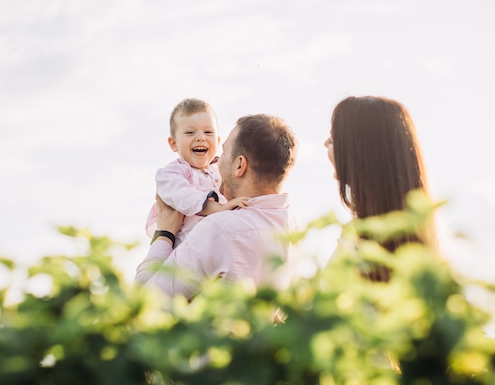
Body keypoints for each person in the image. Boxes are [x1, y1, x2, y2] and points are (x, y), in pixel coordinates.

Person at [136, 114, 299, 300]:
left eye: (224, 152)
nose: (217, 161)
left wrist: (164, 234)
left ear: (239, 165)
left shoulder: (220, 229)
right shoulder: (291, 227)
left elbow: (143, 302)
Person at [324, 95, 438, 282]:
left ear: (360, 154)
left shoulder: (359, 241)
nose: (325, 143)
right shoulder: (424, 239)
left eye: (334, 139)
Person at [146, 98, 250, 246]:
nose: (201, 137)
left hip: (220, 242)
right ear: (173, 143)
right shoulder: (171, 174)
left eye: (208, 132)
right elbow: (183, 196)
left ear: (218, 140)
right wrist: (219, 208)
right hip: (187, 246)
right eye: (190, 132)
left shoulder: (221, 169)